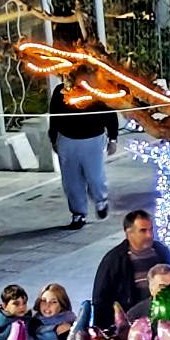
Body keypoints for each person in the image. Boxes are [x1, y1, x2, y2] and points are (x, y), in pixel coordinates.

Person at [47, 81, 117, 230]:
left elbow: (110, 113)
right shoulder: (61, 90)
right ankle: (78, 213)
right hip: (67, 139)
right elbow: (54, 115)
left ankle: (101, 200)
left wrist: (113, 138)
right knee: (71, 181)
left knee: (95, 176)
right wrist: (53, 138)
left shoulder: (98, 89)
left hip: (93, 138)